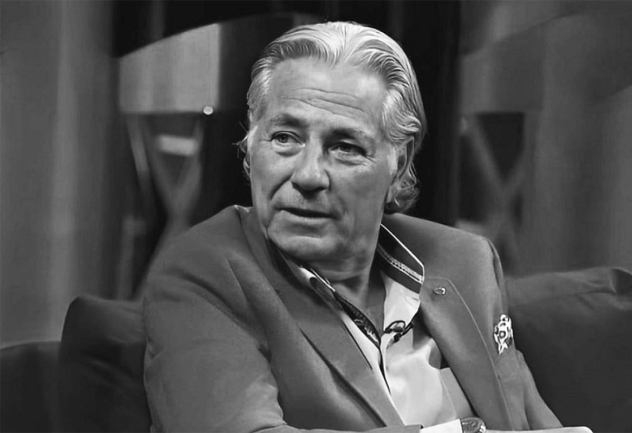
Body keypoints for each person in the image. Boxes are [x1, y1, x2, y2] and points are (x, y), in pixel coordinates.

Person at [143, 22, 591, 433]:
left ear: (398, 163)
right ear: (250, 146)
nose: (308, 175)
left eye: (344, 147)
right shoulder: (205, 272)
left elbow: (534, 423)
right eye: (284, 138)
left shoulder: (466, 262)